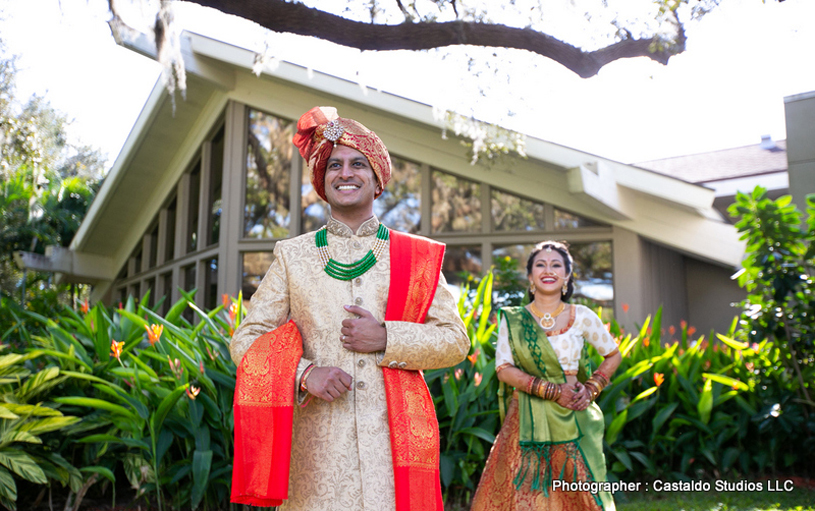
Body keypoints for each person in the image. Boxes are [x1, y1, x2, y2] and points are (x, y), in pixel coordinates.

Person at [229, 106, 469, 511]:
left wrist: (386, 337)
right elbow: (246, 340)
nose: (346, 173)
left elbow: (455, 341)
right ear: (321, 182)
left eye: (358, 163)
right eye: (334, 165)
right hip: (317, 453)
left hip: (394, 448)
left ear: (377, 179)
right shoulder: (293, 256)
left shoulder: (416, 256)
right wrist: (306, 373)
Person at [471, 241, 622, 511]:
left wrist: (591, 389)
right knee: (525, 490)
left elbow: (613, 354)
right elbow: (503, 368)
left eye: (556, 265)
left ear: (566, 275)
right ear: (530, 276)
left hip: (574, 414)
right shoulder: (514, 319)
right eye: (540, 264)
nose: (548, 270)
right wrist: (552, 391)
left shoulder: (582, 316)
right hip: (527, 416)